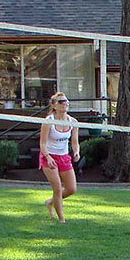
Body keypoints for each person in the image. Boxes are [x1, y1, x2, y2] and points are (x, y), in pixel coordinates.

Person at [39, 92, 80, 223]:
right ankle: (61, 218)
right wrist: (48, 157)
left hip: (64, 157)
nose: (64, 104)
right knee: (57, 188)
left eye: (66, 101)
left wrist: (76, 152)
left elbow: (74, 142)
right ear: (54, 106)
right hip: (49, 156)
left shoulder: (73, 122)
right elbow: (42, 144)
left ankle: (50, 202)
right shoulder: (48, 121)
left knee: (71, 189)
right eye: (60, 102)